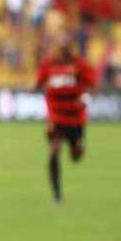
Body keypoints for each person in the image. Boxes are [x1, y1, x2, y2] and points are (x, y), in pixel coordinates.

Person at [35, 38, 96, 204]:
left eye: (66, 48)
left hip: (75, 117)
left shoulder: (79, 65)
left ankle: (78, 146)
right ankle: (56, 195)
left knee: (76, 155)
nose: (63, 51)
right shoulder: (48, 64)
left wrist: (85, 98)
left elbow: (92, 85)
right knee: (54, 151)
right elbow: (38, 82)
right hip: (56, 116)